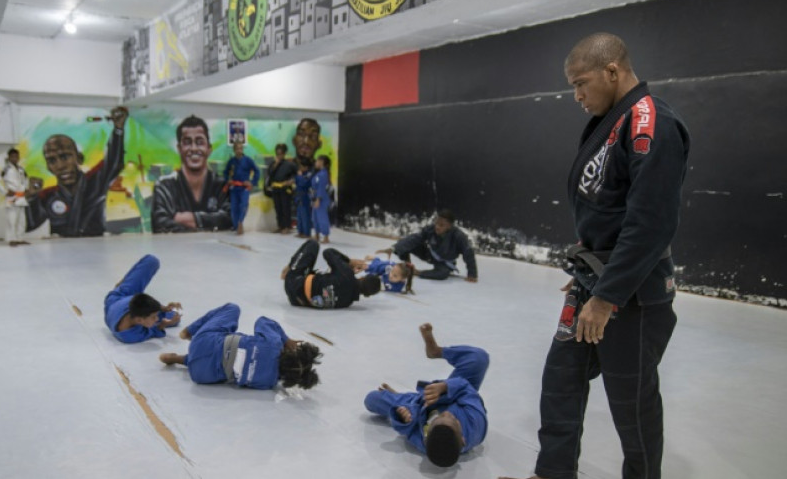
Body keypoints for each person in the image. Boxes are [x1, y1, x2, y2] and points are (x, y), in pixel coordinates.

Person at [500, 34, 690, 479]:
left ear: (612, 71)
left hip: (631, 295)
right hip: (597, 279)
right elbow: (606, 205)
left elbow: (650, 224)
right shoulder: (615, 120)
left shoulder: (650, 123)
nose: (577, 96)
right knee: (560, 380)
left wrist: (606, 297)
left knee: (633, 403)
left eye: (581, 83)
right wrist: (590, 264)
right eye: (572, 86)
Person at [364, 323, 489, 468]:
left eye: (439, 418)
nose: (447, 414)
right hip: (458, 394)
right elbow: (467, 389)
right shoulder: (476, 423)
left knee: (371, 399)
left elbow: (408, 431)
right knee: (479, 358)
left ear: (427, 435)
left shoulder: (425, 442)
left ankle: (400, 396)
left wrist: (406, 418)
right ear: (462, 439)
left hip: (419, 404)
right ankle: (435, 351)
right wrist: (444, 387)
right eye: (453, 420)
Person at [159, 302, 322, 390]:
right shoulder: (268, 383)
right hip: (201, 376)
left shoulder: (274, 344)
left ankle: (188, 332)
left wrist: (285, 340)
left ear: (292, 352)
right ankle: (182, 360)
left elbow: (263, 321)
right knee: (227, 365)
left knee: (232, 309)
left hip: (202, 342)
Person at [26, 106, 127, 237]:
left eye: (65, 157)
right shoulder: (48, 196)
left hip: (95, 248)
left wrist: (118, 129)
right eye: (52, 160)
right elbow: (29, 226)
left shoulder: (95, 182)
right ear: (48, 167)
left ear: (79, 158)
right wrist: (32, 198)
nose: (60, 166)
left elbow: (114, 162)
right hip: (63, 252)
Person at [151, 115, 232, 233]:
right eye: (187, 142)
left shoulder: (221, 185)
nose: (194, 148)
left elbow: (229, 218)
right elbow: (160, 224)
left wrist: (191, 219)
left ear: (209, 148)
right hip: (177, 249)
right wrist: (208, 224)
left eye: (199, 142)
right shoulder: (164, 187)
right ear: (179, 148)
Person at [104, 254, 182, 344]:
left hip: (117, 298)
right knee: (175, 318)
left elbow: (142, 299)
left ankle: (122, 285)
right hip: (123, 304)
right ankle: (126, 284)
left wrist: (163, 308)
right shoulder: (131, 336)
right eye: (154, 317)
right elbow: (155, 329)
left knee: (152, 261)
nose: (156, 319)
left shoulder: (135, 309)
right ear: (139, 321)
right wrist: (165, 324)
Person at [280, 240, 381, 309]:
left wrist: (349, 262)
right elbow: (339, 284)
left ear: (363, 277)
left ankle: (290, 267)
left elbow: (327, 252)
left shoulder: (346, 274)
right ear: (367, 295)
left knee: (313, 244)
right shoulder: (347, 303)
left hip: (293, 282)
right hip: (296, 301)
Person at [382, 209, 477, 282]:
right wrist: (393, 248)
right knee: (405, 243)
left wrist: (472, 274)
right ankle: (408, 266)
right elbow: (416, 238)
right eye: (436, 223)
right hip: (430, 255)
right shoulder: (431, 229)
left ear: (449, 226)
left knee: (443, 274)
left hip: (444, 263)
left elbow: (468, 252)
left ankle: (417, 272)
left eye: (441, 225)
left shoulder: (459, 236)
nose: (437, 227)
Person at [0, 148, 30, 247]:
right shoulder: (5, 169)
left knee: (22, 219)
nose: (15, 158)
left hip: (21, 197)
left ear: (19, 158)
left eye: (16, 157)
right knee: (11, 219)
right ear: (9, 157)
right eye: (12, 156)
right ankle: (12, 239)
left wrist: (26, 188)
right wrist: (5, 192)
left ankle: (20, 238)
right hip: (12, 196)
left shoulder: (21, 169)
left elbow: (26, 179)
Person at [223, 141, 259, 235]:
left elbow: (257, 171)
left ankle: (240, 222)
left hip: (244, 187)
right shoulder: (232, 161)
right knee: (234, 207)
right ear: (234, 150)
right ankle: (236, 226)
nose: (239, 150)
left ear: (242, 149)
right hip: (234, 188)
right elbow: (225, 172)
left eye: (240, 148)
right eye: (237, 149)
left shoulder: (248, 160)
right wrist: (228, 180)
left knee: (243, 205)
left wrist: (252, 182)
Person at [266, 143, 297, 234]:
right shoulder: (273, 164)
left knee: (285, 208)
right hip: (276, 188)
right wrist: (276, 164)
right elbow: (270, 174)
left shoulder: (290, 164)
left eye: (281, 154)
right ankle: (280, 226)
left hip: (285, 188)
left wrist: (291, 181)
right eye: (277, 154)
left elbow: (297, 174)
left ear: (284, 154)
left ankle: (287, 226)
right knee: (278, 208)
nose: (279, 156)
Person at [311, 155, 331, 243]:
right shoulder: (319, 174)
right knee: (315, 217)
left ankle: (326, 236)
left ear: (321, 162)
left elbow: (321, 188)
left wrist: (318, 199)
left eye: (317, 161)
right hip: (315, 197)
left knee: (322, 217)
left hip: (321, 199)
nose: (315, 163)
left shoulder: (323, 174)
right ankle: (317, 234)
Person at [294, 157, 313, 238]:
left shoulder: (309, 174)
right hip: (298, 195)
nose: (300, 168)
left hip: (305, 195)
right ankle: (300, 231)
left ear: (306, 167)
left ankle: (306, 233)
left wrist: (300, 176)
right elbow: (296, 181)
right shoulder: (301, 174)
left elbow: (303, 183)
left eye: (302, 166)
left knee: (305, 215)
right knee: (299, 215)